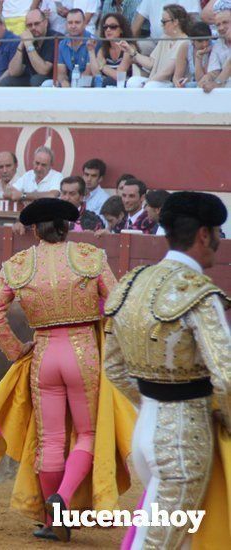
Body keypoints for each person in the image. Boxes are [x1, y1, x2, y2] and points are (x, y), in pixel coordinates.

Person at [0, 198, 119, 542]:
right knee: (87, 436)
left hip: (43, 354)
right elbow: (118, 304)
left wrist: (17, 350)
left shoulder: (18, 264)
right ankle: (64, 497)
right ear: (67, 226)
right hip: (83, 351)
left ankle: (52, 519)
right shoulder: (90, 257)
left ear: (34, 230)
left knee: (51, 441)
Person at [104, 191, 230, 549]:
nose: (219, 242)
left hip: (145, 432)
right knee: (158, 544)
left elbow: (112, 366)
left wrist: (149, 403)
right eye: (218, 233)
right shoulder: (200, 293)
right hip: (184, 439)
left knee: (180, 540)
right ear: (204, 235)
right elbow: (227, 375)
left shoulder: (131, 283)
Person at [125, 4, 190, 88]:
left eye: (164, 22)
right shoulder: (165, 38)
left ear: (175, 22)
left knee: (150, 86)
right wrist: (131, 51)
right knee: (132, 81)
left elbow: (167, 72)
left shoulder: (184, 41)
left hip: (169, 83)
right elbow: (151, 63)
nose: (162, 25)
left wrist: (147, 82)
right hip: (155, 81)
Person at [3, 8, 59, 87]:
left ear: (45, 23)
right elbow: (13, 72)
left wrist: (29, 45)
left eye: (36, 24)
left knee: (35, 80)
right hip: (31, 77)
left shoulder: (54, 38)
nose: (33, 28)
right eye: (29, 25)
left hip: (51, 80)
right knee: (7, 81)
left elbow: (43, 70)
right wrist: (21, 45)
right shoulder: (29, 38)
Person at [92, 12, 135, 87]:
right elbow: (96, 75)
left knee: (109, 80)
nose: (108, 30)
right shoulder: (103, 50)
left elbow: (119, 76)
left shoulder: (129, 48)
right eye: (105, 27)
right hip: (107, 88)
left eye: (113, 27)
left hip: (126, 87)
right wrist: (91, 51)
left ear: (121, 29)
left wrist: (102, 66)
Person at [201, 8, 231, 93]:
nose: (221, 28)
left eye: (225, 22)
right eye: (218, 25)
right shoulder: (218, 43)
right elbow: (214, 71)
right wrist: (206, 79)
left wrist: (216, 83)